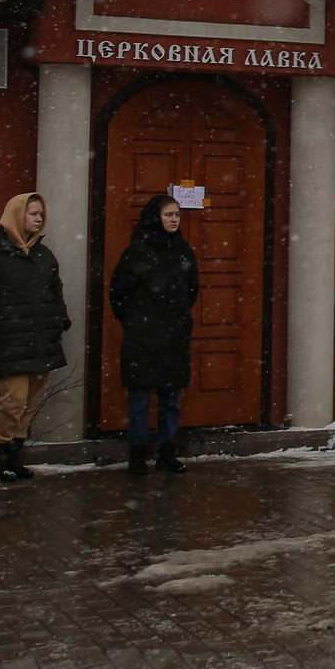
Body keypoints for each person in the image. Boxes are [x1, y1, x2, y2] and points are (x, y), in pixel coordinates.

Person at [0, 191, 69, 483]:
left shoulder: (44, 255)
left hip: (41, 340)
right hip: (8, 340)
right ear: (16, 215)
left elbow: (55, 291)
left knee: (29, 403)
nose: (38, 219)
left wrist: (59, 321)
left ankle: (13, 458)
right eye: (32, 213)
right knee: (13, 400)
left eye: (41, 214)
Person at [107, 194, 198, 477]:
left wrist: (177, 318)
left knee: (171, 399)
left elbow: (191, 289)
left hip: (174, 335)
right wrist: (137, 320)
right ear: (154, 217)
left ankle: (166, 452)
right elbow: (118, 293)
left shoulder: (183, 251)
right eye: (168, 214)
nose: (174, 219)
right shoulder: (137, 252)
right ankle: (137, 453)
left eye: (177, 215)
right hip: (142, 336)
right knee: (140, 398)